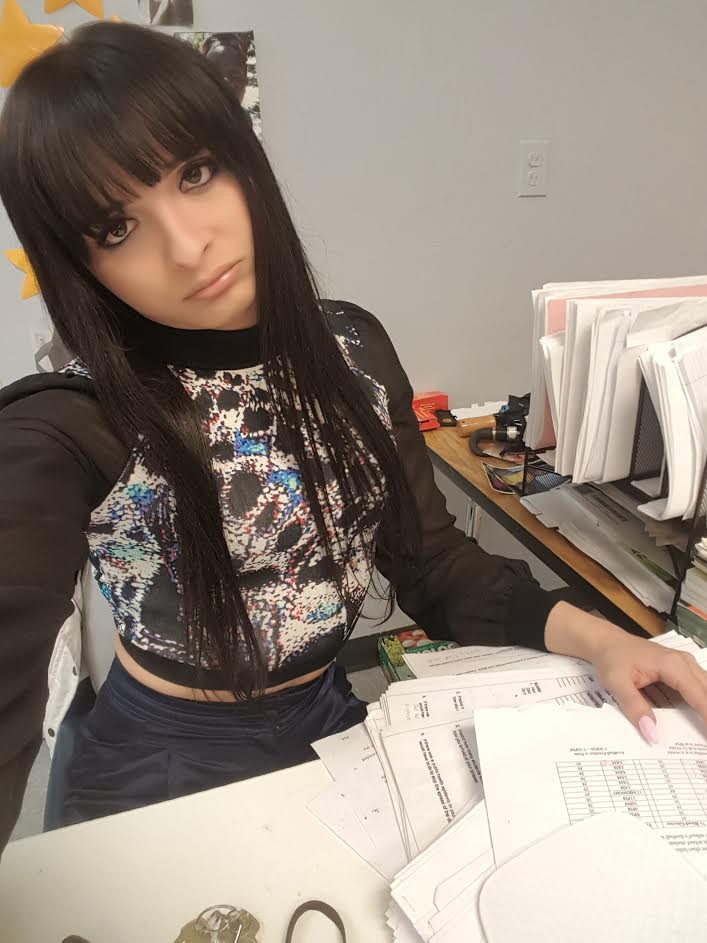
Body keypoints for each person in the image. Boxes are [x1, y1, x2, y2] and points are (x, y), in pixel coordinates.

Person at [0, 22, 705, 857]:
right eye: (117, 229)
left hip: (332, 723)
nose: (188, 247)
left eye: (195, 173)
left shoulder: (352, 351)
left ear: (244, 160)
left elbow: (431, 563)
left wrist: (606, 639)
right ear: (81, 266)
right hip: (157, 765)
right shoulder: (72, 421)